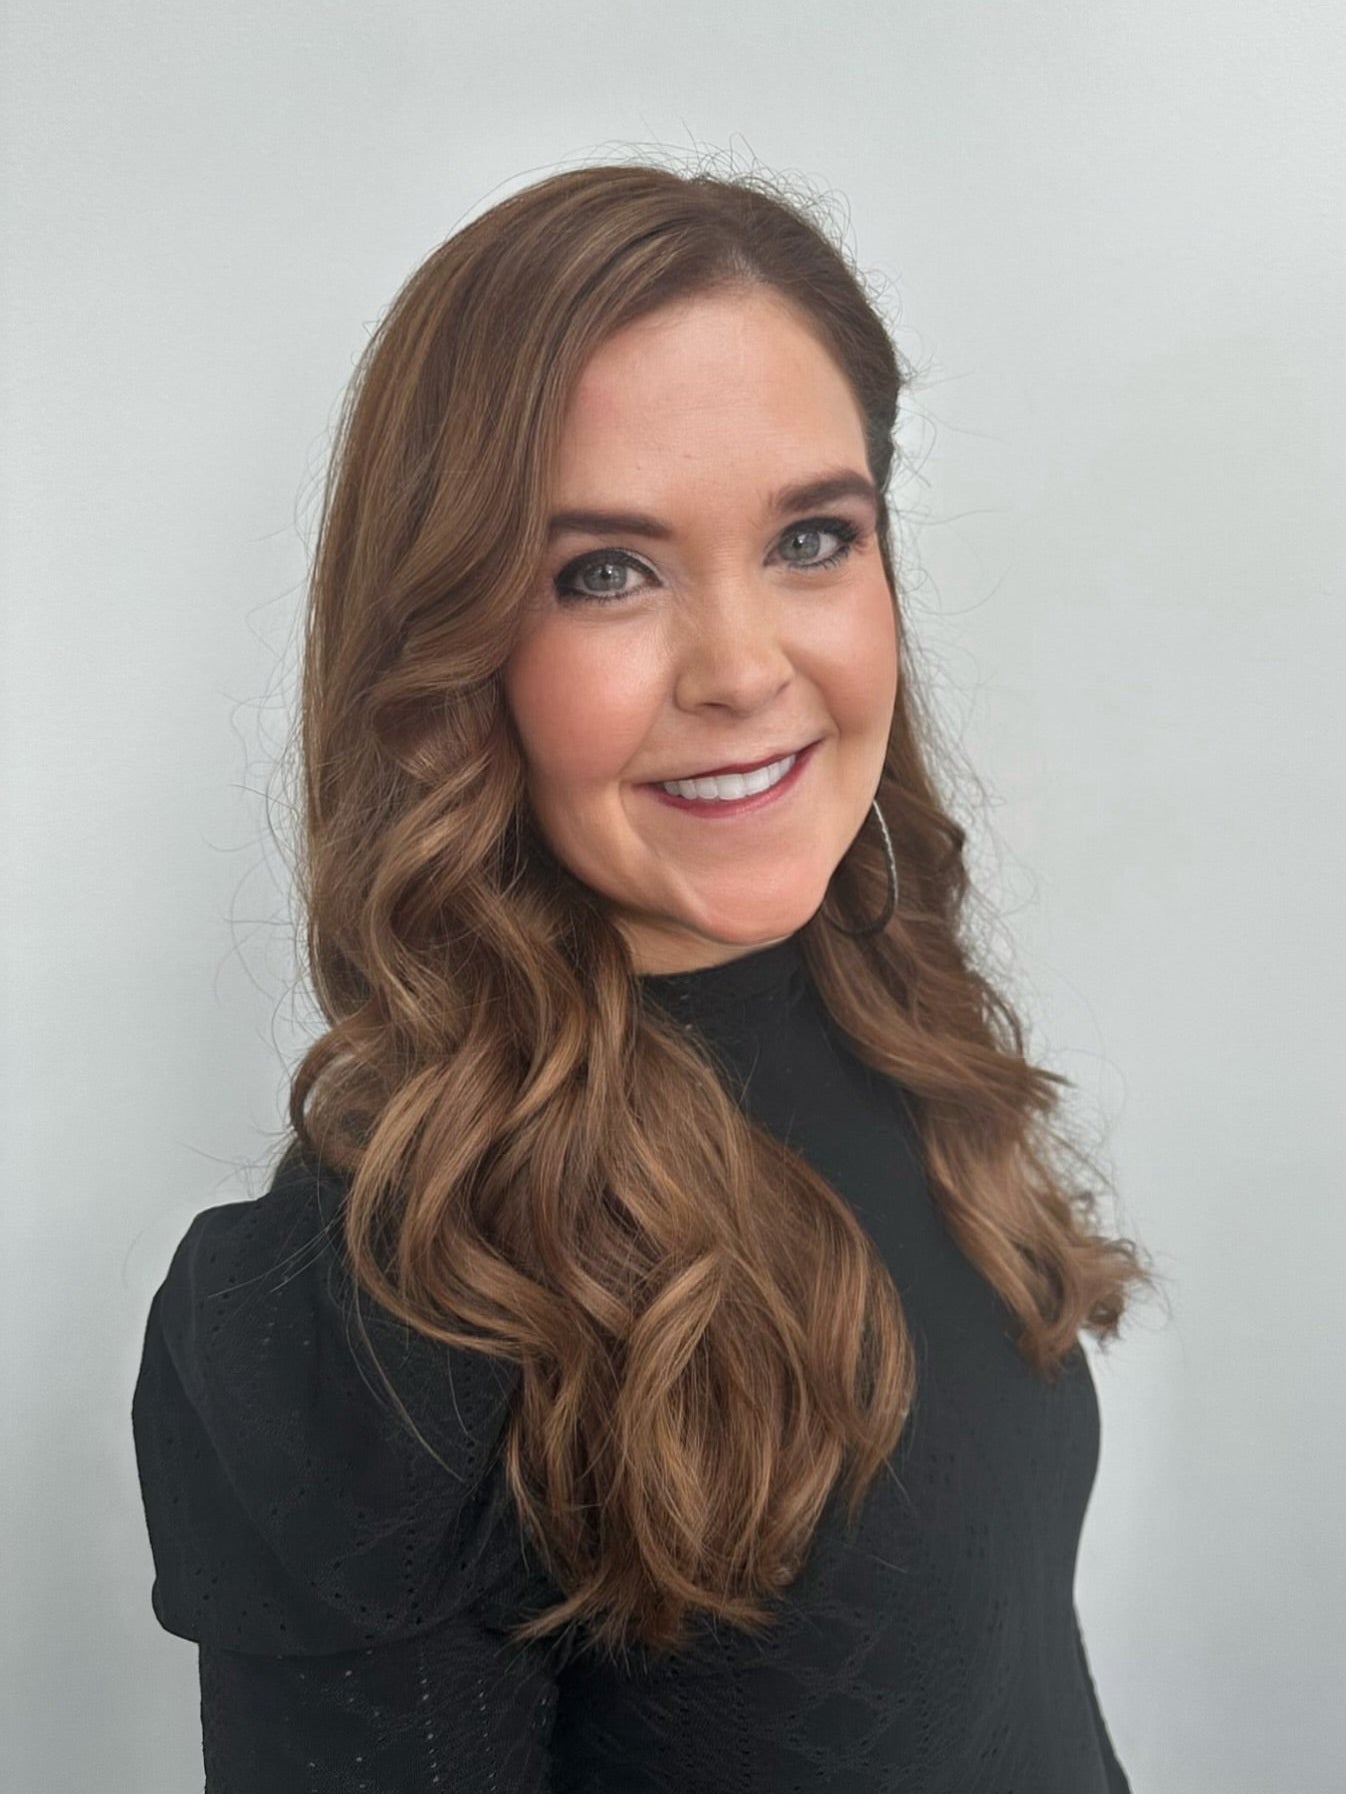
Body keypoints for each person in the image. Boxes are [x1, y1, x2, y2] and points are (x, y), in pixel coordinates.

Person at [131, 158, 1158, 1792]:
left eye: (812, 536)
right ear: (450, 657)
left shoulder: (891, 1022)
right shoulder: (380, 1308)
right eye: (606, 570)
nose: (746, 668)